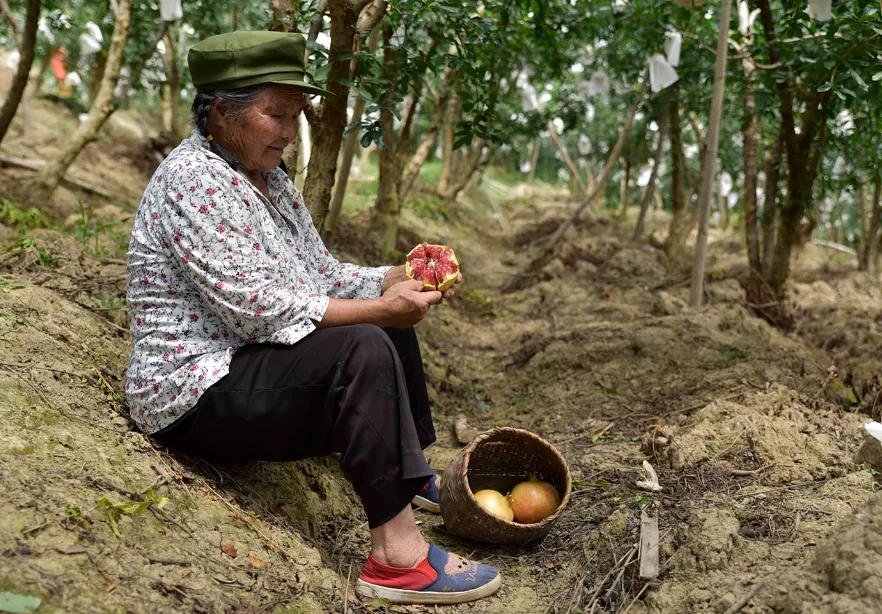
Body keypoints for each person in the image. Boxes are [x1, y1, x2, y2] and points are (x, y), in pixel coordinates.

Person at [124, 31, 500, 605]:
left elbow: (317, 276)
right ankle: (397, 561)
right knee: (364, 343)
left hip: (246, 364)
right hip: (193, 390)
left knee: (382, 326)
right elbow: (259, 311)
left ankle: (413, 474)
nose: (287, 132)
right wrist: (378, 309)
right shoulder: (194, 181)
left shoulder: (268, 179)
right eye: (274, 114)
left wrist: (391, 277)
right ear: (222, 111)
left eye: (294, 115)